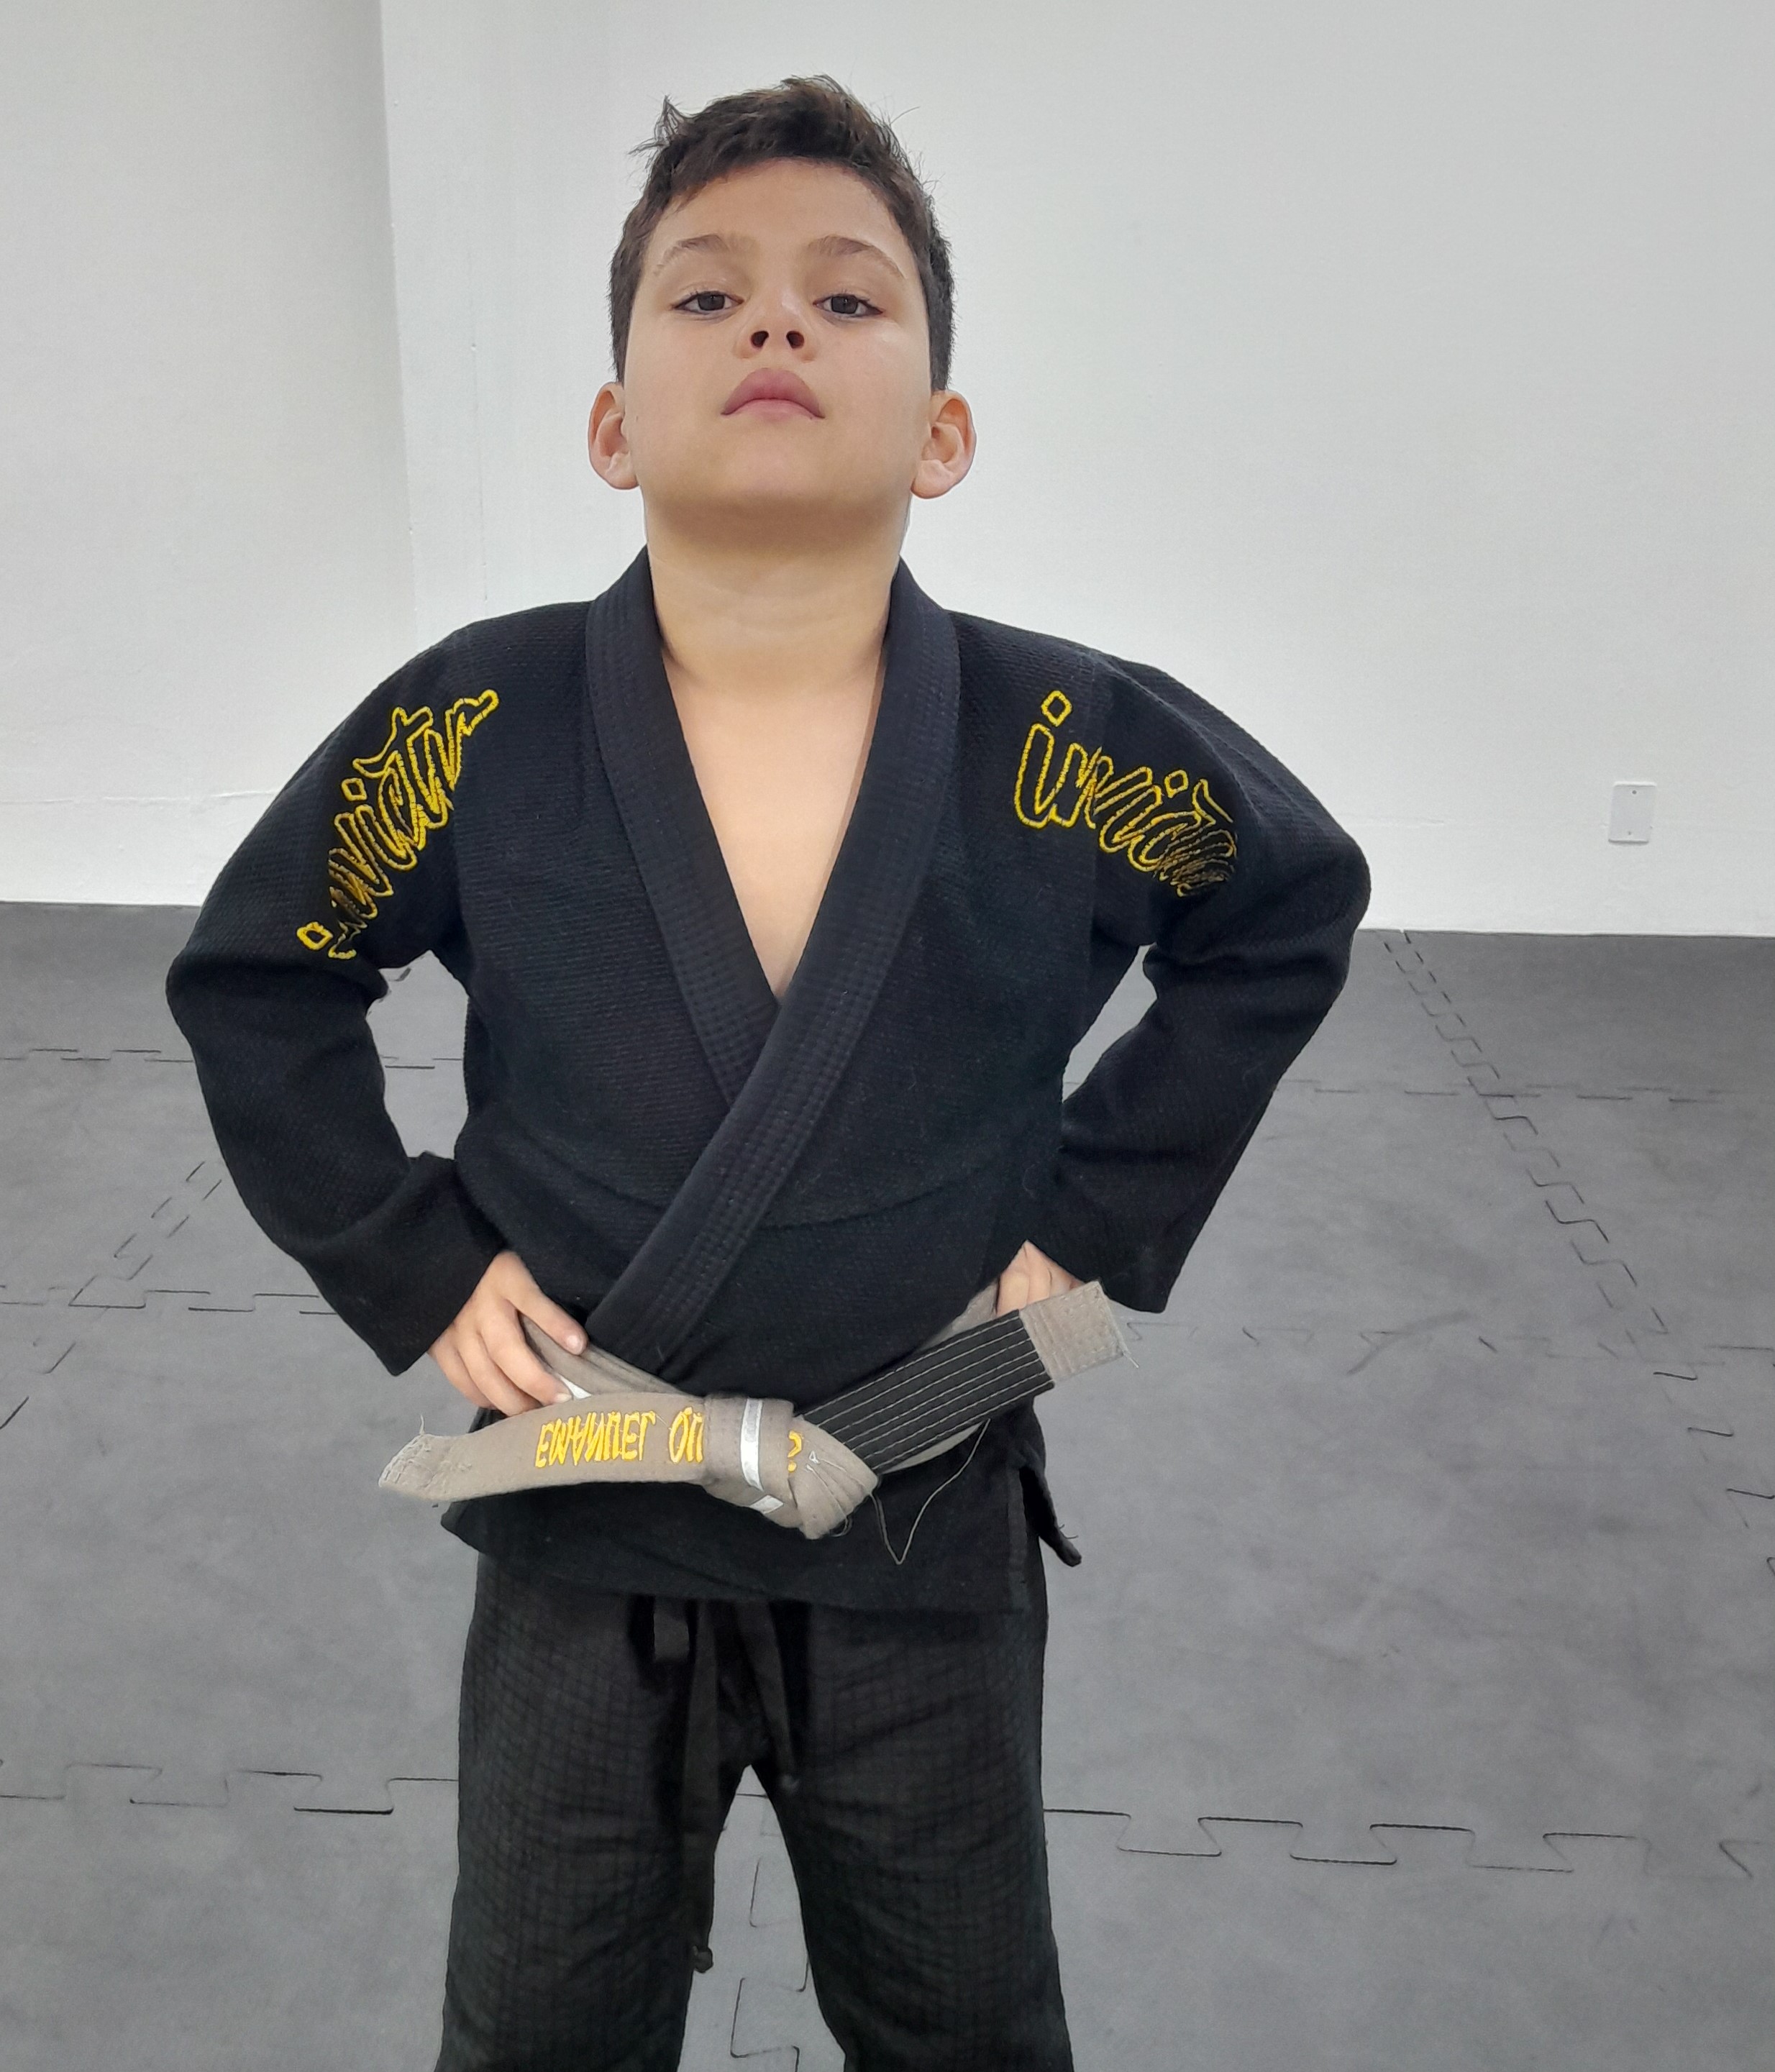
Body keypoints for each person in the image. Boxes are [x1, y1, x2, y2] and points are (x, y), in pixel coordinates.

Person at [165, 73, 1369, 2072]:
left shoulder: (1060, 739)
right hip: (583, 1507)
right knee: (540, 2026)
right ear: (613, 425)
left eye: (848, 297)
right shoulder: (479, 721)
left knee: (965, 2021)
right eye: (708, 296)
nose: (778, 324)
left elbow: (1284, 905)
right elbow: (258, 975)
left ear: (944, 431)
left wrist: (1095, 1222)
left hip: (924, 1479)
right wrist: (408, 1258)